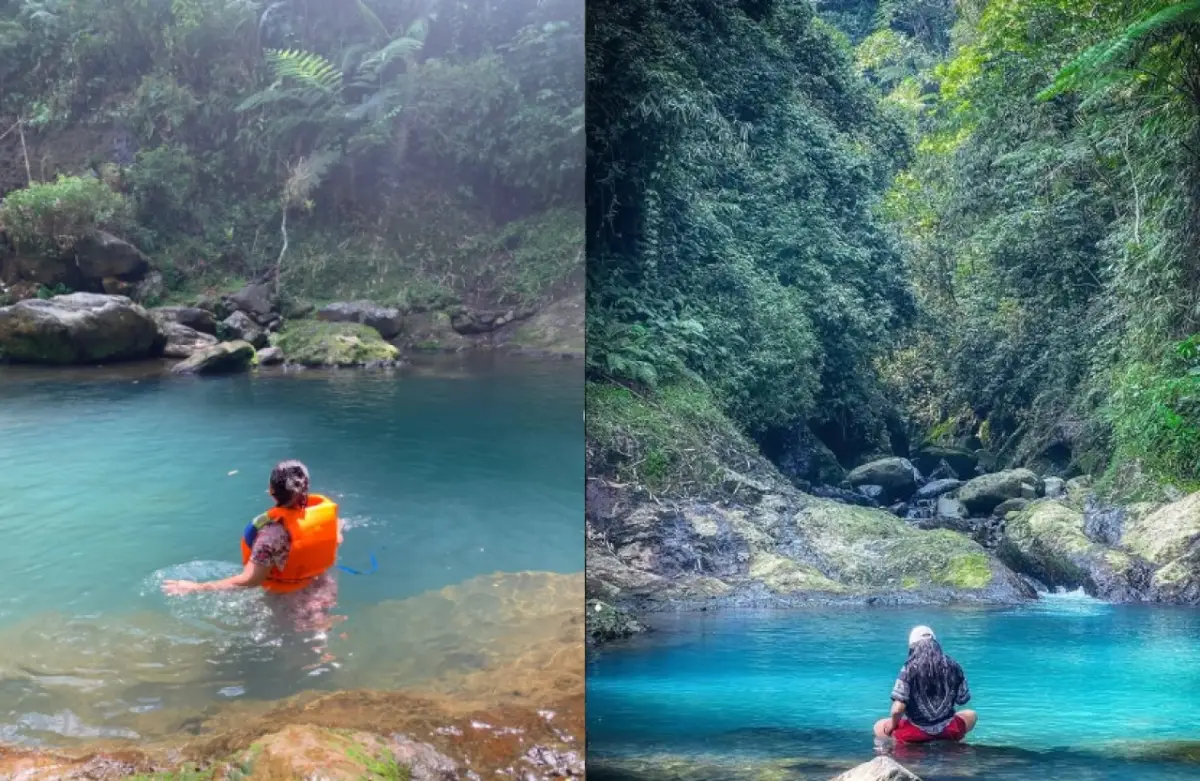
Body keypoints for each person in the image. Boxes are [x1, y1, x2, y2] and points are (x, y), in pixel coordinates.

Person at [162, 460, 343, 596]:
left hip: (289, 601)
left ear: (271, 491)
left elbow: (251, 580)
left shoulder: (272, 534)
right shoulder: (324, 518)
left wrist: (196, 588)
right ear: (305, 488)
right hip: (323, 589)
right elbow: (337, 539)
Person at [873, 625, 977, 743]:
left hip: (914, 734)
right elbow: (962, 699)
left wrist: (892, 724)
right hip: (949, 730)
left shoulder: (908, 669)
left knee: (878, 726)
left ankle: (890, 752)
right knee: (971, 714)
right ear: (935, 643)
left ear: (912, 646)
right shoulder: (954, 666)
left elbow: (898, 709)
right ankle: (953, 744)